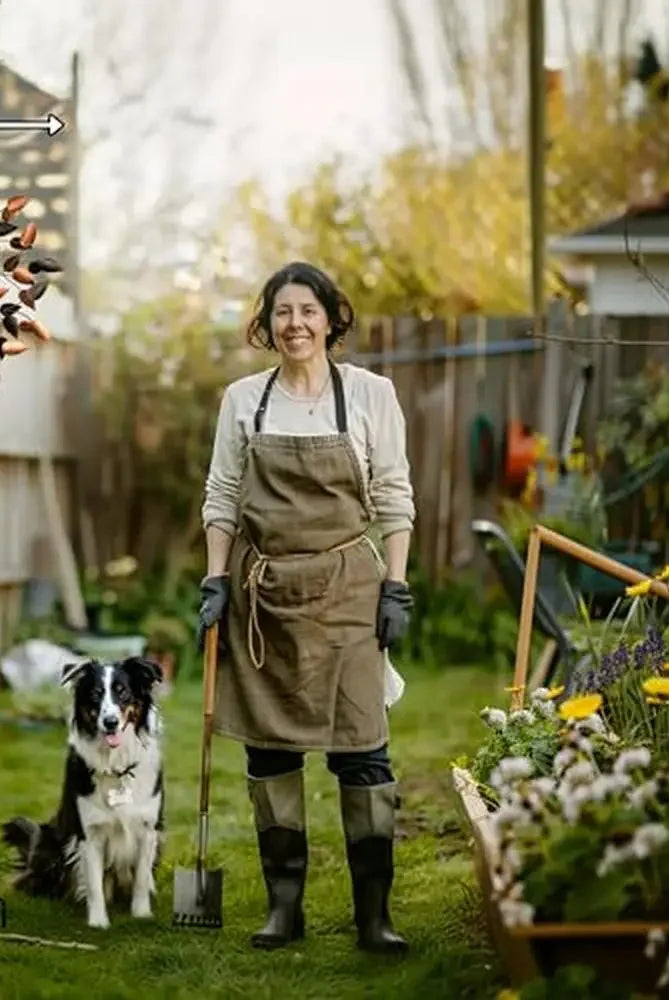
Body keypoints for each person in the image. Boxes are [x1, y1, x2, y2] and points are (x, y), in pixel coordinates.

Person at [196, 261, 415, 954]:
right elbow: (222, 496)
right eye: (282, 312)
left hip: (349, 590)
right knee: (270, 750)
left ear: (330, 318)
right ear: (266, 323)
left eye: (307, 311)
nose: (295, 324)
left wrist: (396, 586)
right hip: (266, 600)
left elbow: (396, 499)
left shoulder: (372, 395)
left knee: (364, 751)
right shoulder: (242, 400)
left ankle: (373, 916)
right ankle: (282, 906)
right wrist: (215, 579)